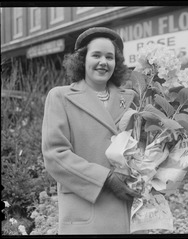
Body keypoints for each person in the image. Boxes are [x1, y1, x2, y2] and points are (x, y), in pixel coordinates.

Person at [41, 27, 141, 234]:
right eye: (96, 55)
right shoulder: (60, 96)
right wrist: (106, 178)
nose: (103, 62)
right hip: (85, 210)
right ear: (82, 60)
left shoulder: (132, 98)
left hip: (126, 209)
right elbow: (55, 155)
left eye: (110, 57)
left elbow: (142, 147)